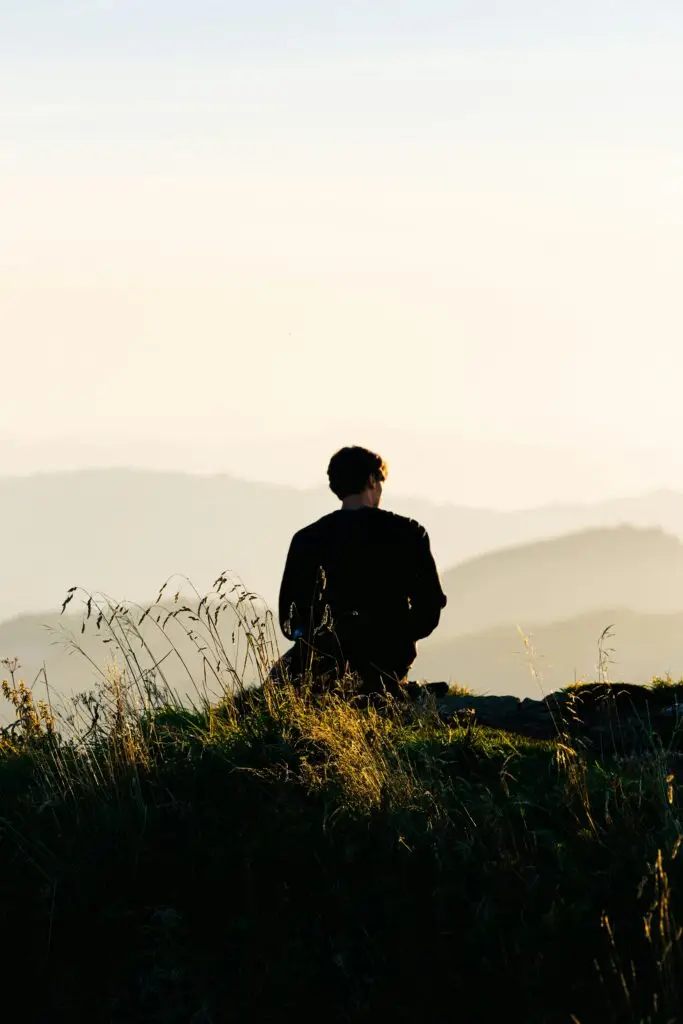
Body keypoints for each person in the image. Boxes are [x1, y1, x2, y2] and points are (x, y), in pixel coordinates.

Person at [274, 445, 447, 697]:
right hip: (388, 662)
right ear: (371, 480)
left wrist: (316, 644)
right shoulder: (408, 532)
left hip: (322, 663)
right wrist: (399, 636)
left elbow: (289, 619)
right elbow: (430, 606)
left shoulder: (306, 539)